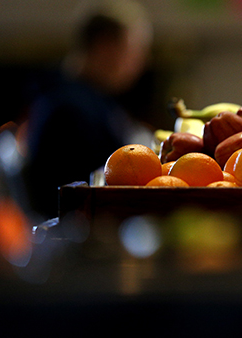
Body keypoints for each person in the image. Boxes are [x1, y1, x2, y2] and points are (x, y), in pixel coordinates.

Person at [20, 0, 154, 219]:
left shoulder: (76, 96)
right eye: (135, 50)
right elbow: (106, 185)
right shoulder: (70, 108)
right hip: (82, 234)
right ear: (105, 46)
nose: (141, 62)